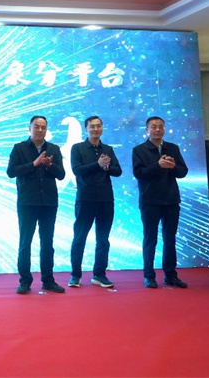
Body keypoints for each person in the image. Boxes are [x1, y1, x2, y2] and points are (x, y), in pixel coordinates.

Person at [6, 116, 66, 294]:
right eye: (36, 127)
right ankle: (25, 281)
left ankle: (48, 280)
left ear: (46, 130)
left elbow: (61, 175)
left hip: (49, 202)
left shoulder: (53, 149)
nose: (40, 130)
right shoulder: (19, 148)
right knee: (25, 242)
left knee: (47, 242)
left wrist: (49, 165)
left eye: (43, 127)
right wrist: (33, 164)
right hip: (27, 202)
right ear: (29, 128)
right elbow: (11, 171)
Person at [132, 117, 189, 289]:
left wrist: (172, 167)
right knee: (150, 239)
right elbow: (139, 174)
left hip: (171, 200)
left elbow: (183, 171)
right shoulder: (139, 150)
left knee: (170, 239)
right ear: (147, 130)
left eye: (160, 127)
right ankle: (149, 276)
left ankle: (171, 275)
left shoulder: (173, 148)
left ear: (164, 129)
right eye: (153, 127)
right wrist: (158, 165)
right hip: (150, 200)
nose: (157, 130)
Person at [69, 116, 122, 288]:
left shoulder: (108, 149)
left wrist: (108, 167)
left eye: (98, 126)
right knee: (80, 237)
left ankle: (99, 274)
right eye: (92, 126)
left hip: (105, 199)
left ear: (102, 128)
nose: (95, 129)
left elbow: (118, 171)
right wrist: (97, 164)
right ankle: (75, 275)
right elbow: (77, 170)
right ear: (86, 129)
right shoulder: (77, 148)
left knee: (103, 239)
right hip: (85, 198)